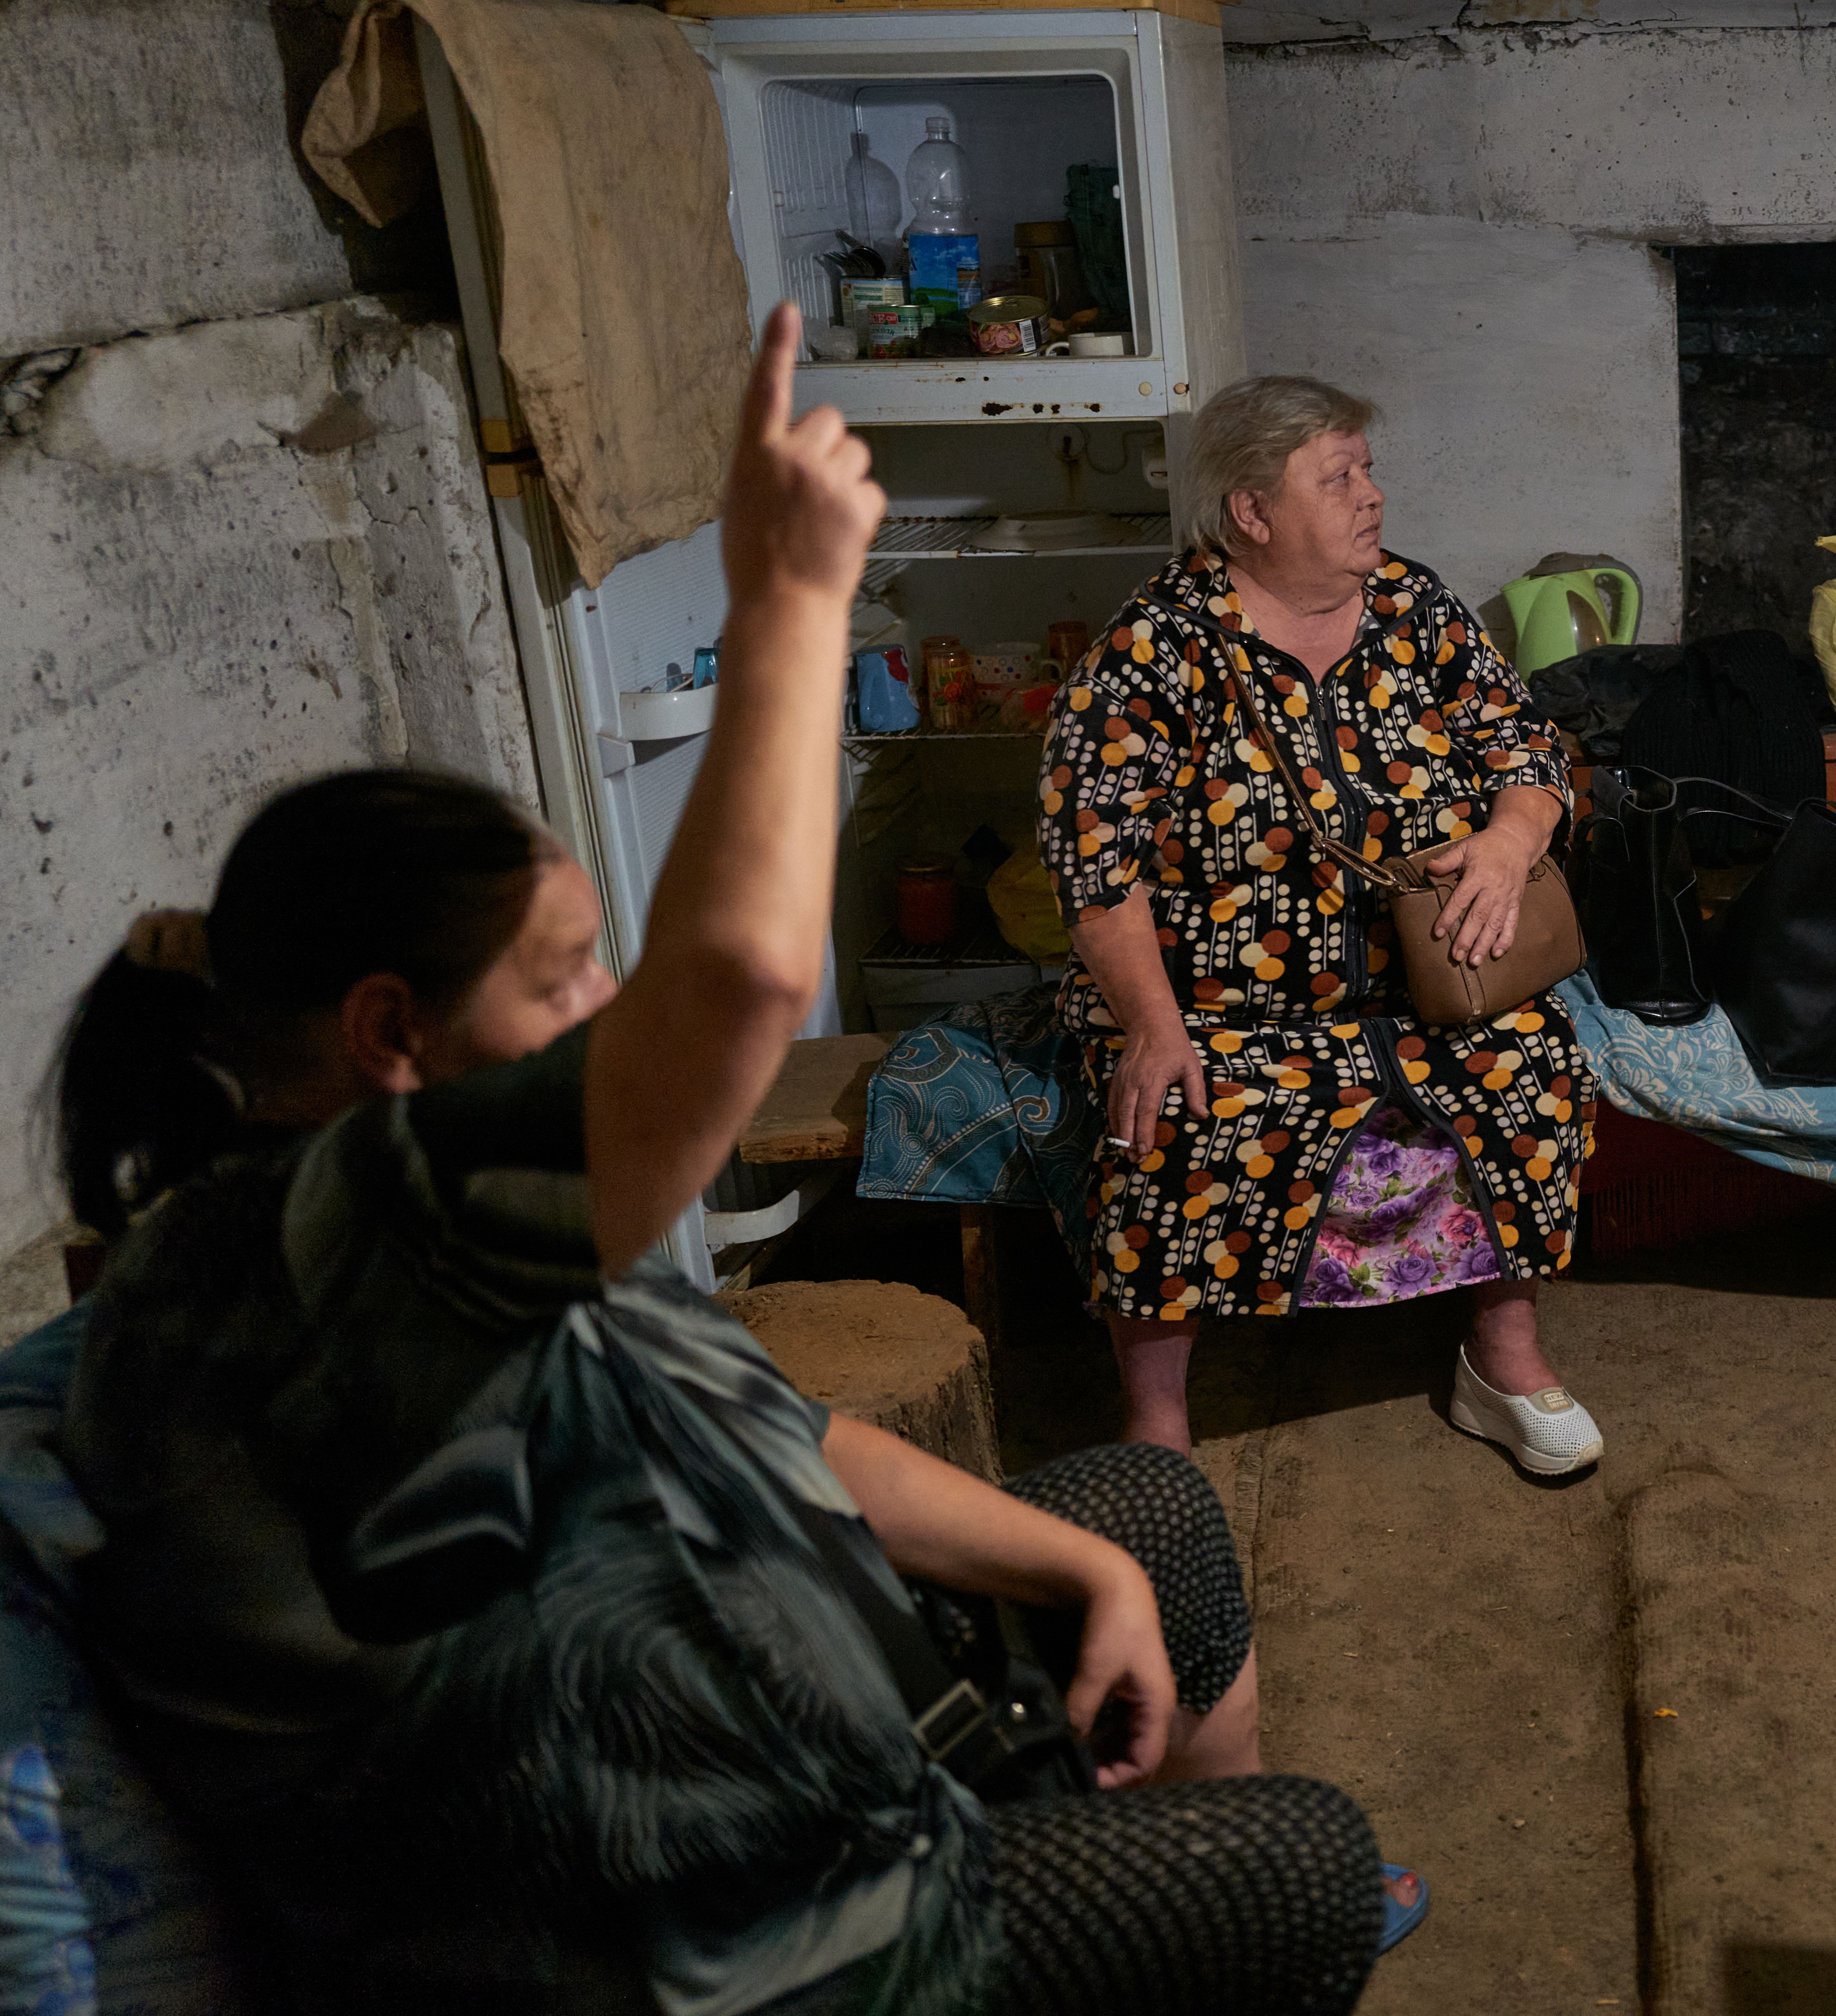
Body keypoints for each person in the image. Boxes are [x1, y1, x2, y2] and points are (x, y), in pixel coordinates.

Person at [46, 307, 1410, 2014]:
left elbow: (770, 1428)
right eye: (560, 978)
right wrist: (787, 605)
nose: (606, 1006)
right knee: (1300, 1871)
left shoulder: (456, 1227)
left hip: (823, 1758)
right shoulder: (282, 1263)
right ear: (389, 1032)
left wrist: (1082, 1570)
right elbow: (741, 986)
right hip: (705, 1947)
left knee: (1149, 1527)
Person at [1039, 375, 1603, 1470]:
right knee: (1176, 1113)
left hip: (1428, 982)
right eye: (1337, 476)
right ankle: (1157, 1423)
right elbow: (1094, 864)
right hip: (1221, 1003)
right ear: (1252, 511)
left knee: (1531, 1062)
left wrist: (1508, 840)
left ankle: (1502, 1357)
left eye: (1367, 469)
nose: (1372, 495)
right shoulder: (1153, 649)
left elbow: (1527, 750)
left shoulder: (1413, 606)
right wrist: (1153, 1025)